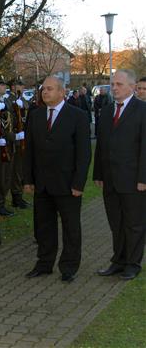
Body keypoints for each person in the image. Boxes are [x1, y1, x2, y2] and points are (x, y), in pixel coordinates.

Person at [23, 76, 91, 283]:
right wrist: (28, 179)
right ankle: (44, 263)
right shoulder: (35, 116)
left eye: (50, 89)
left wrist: (78, 183)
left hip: (68, 184)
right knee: (43, 227)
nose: (45, 92)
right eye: (43, 89)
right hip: (42, 184)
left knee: (71, 227)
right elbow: (29, 151)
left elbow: (84, 153)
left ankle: (69, 266)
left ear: (62, 92)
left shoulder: (77, 116)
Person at [94, 69, 146, 281]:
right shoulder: (106, 111)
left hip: (134, 180)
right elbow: (101, 145)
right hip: (110, 179)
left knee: (134, 224)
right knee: (116, 223)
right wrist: (98, 173)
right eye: (113, 84)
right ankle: (118, 260)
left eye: (119, 84)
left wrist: (143, 178)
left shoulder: (142, 110)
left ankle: (133, 264)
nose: (114, 88)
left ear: (132, 87)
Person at [0, 78, 17, 217]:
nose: (3, 87)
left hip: (9, 142)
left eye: (3, 85)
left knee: (7, 174)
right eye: (1, 85)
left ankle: (3, 201)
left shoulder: (6, 100)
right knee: (0, 176)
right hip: (0, 143)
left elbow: (11, 119)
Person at [8, 79, 29, 210]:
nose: (21, 87)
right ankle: (16, 196)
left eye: (22, 85)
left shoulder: (22, 99)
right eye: (19, 85)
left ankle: (19, 195)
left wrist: (22, 104)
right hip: (14, 138)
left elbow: (27, 109)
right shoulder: (8, 99)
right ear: (13, 87)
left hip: (23, 138)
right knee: (15, 169)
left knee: (21, 168)